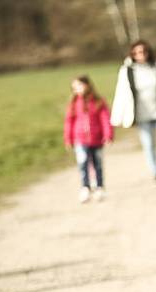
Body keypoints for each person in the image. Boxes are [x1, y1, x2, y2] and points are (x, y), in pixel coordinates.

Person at [111, 39, 156, 184]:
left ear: (148, 52)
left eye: (143, 51)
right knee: (148, 145)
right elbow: (121, 93)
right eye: (137, 52)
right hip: (142, 115)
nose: (141, 54)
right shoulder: (127, 70)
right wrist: (117, 118)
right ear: (132, 54)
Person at [64, 75, 113, 203]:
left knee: (97, 163)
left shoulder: (98, 101)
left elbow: (105, 119)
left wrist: (108, 135)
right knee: (83, 162)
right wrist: (68, 139)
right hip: (80, 139)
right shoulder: (74, 103)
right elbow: (69, 122)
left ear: (87, 85)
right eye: (74, 88)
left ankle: (99, 187)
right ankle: (85, 187)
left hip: (97, 139)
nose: (77, 90)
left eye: (79, 86)